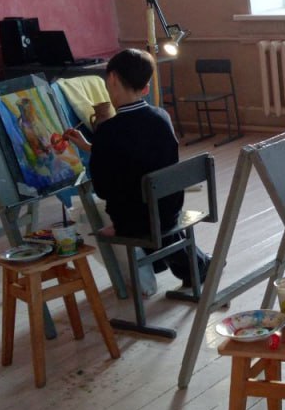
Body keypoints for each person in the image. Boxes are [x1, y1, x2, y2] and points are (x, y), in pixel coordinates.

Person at [65, 48, 209, 290]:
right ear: (146, 87)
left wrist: (97, 149)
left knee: (96, 215)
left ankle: (187, 267)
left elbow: (102, 189)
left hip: (133, 220)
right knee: (152, 208)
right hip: (169, 208)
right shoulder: (161, 117)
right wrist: (91, 147)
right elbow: (138, 156)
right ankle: (197, 266)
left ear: (112, 79)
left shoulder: (108, 131)